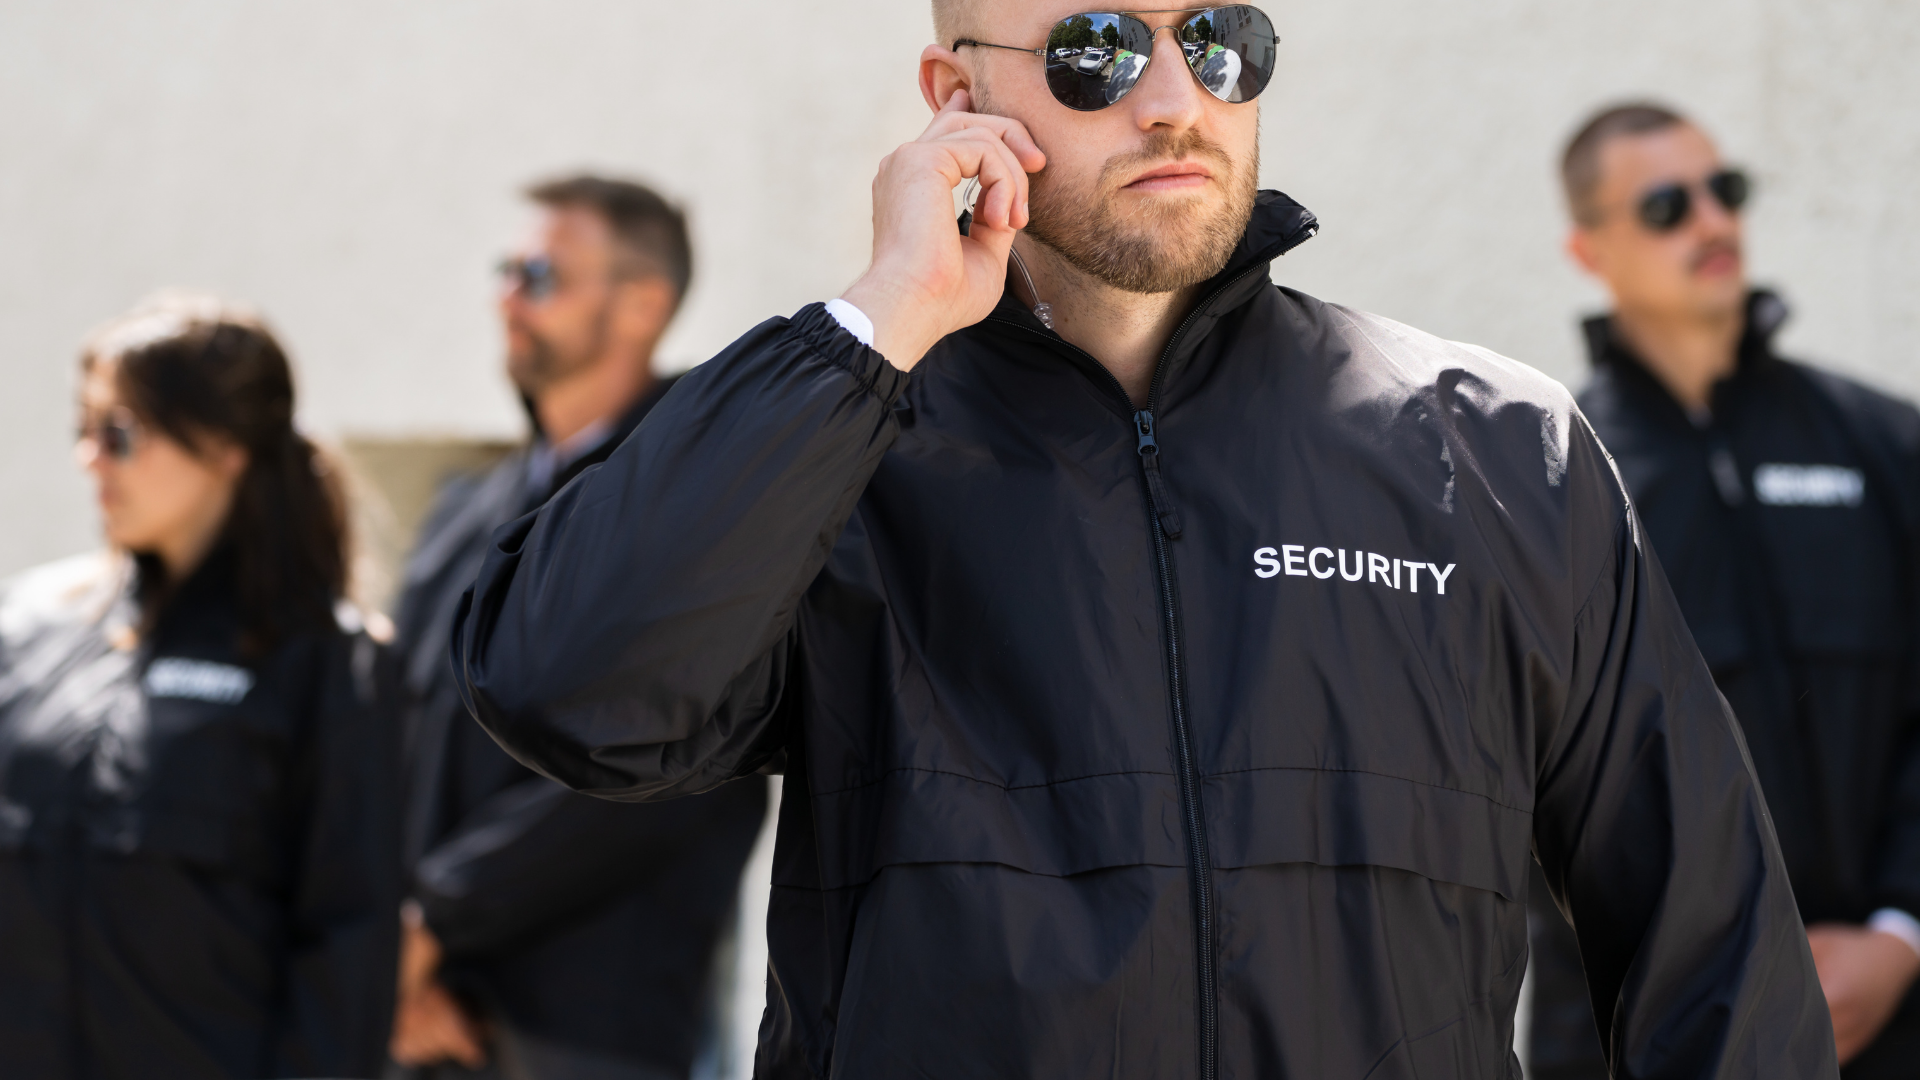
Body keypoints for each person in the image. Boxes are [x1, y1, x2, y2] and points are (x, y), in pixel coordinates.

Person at [452, 6, 1837, 1077]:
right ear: (957, 99)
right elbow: (569, 690)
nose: (1178, 103)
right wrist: (876, 317)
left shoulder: (1489, 448)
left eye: (1223, 42)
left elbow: (1708, 941)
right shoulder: (842, 443)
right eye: (1098, 50)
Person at [1525, 103, 1920, 1079]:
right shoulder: (1547, 480)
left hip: (1895, 1015)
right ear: (1590, 250)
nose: (1712, 223)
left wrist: (1902, 933)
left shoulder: (1884, 446)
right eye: (1666, 205)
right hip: (1659, 1040)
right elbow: (1529, 792)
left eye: (1724, 190)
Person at [389, 176, 768, 1080]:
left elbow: (662, 762)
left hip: (585, 1028)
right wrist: (394, 959)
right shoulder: (465, 510)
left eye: (541, 275)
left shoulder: (689, 493)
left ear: (642, 304)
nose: (507, 298)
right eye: (507, 270)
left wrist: (432, 924)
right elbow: (395, 734)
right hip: (425, 1013)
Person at [0, 294, 402, 1078]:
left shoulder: (329, 664)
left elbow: (346, 958)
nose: (91, 459)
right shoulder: (28, 631)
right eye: (84, 431)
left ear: (225, 448)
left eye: (119, 433)